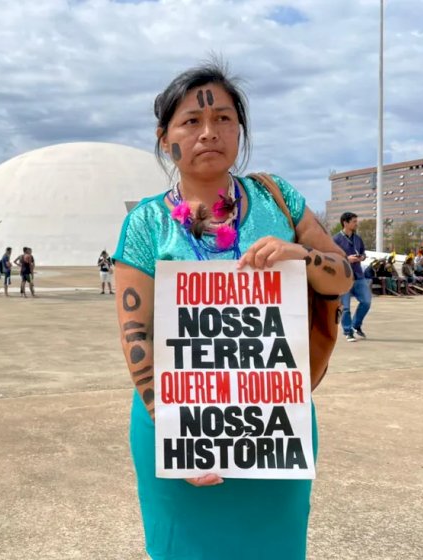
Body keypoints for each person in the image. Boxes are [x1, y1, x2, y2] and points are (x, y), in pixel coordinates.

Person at [112, 62, 353, 560]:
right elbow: (136, 332)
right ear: (165, 139)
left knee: (272, 547)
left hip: (272, 421)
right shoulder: (145, 223)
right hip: (179, 420)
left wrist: (301, 256)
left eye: (223, 118)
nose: (209, 133)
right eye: (191, 122)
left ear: (240, 130)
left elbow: (342, 277)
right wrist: (175, 430)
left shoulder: (277, 198)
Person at [333, 212, 372, 341]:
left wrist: (362, 257)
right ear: (345, 222)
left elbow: (363, 253)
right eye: (354, 221)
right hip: (343, 277)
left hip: (358, 275)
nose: (357, 223)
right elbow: (331, 258)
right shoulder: (335, 240)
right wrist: (346, 259)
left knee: (366, 302)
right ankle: (348, 331)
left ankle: (356, 325)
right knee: (346, 307)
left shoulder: (358, 239)